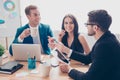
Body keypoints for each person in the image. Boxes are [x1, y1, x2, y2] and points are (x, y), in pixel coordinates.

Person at [49, 10, 120, 80]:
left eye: (87, 24)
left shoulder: (104, 46)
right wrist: (65, 49)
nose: (86, 26)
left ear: (95, 27)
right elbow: (87, 59)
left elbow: (88, 78)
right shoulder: (106, 39)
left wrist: (69, 69)